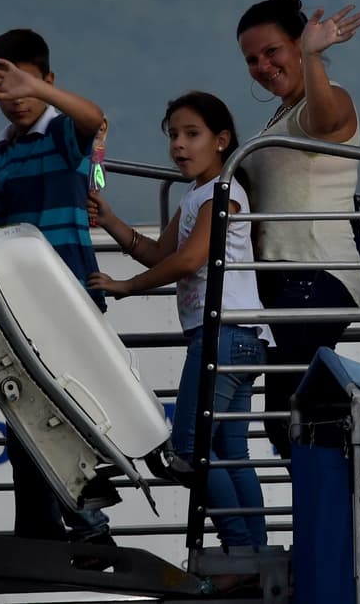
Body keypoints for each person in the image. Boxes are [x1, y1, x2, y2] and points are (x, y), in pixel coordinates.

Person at [88, 92, 272, 597]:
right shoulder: (201, 195)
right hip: (240, 336)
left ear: (221, 140)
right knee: (230, 451)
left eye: (191, 134)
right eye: (173, 134)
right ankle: (253, 555)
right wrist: (111, 220)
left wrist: (123, 288)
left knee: (190, 450)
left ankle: (238, 553)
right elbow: (158, 252)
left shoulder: (219, 194)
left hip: (223, 334)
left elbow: (188, 261)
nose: (179, 145)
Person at [0, 28, 114, 550]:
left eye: (24, 87)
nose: (14, 100)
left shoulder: (60, 136)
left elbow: (92, 118)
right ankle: (39, 524)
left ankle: (90, 526)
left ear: (49, 83)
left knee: (66, 412)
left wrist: (43, 94)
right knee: (22, 417)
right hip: (22, 303)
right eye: (3, 90)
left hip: (70, 297)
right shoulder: (4, 156)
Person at [236, 0, 360, 459]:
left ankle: (332, 525)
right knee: (290, 420)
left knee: (292, 419)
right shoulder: (280, 115)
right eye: (251, 59)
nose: (263, 65)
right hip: (285, 278)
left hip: (314, 272)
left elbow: (324, 117)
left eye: (273, 51)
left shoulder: (326, 103)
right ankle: (326, 523)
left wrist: (314, 56)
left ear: (298, 43)